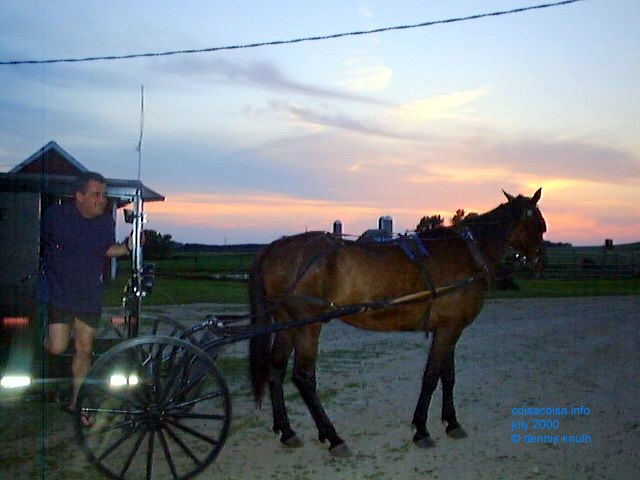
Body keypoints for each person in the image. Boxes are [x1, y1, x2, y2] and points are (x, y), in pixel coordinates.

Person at [41, 171, 132, 424]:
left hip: (89, 295)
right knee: (57, 347)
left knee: (84, 349)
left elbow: (106, 250)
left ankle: (77, 403)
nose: (101, 200)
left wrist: (127, 247)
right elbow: (42, 244)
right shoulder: (56, 217)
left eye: (103, 194)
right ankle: (42, 346)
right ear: (78, 196)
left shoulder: (105, 222)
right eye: (95, 194)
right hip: (59, 292)